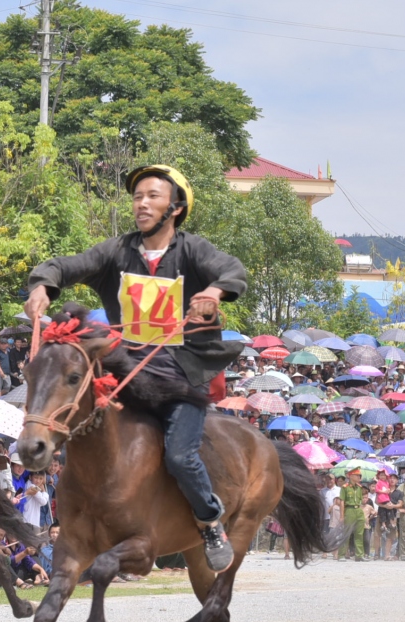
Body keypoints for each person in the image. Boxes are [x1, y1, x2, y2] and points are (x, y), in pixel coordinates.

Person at [24, 165, 247, 571]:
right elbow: (65, 265)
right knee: (82, 424)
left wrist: (214, 291)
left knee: (180, 457)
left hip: (180, 377)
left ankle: (210, 521)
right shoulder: (116, 251)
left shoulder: (194, 250)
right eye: (137, 197)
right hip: (126, 372)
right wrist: (42, 284)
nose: (141, 204)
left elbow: (233, 271)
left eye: (152, 197)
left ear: (175, 208)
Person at [336, 467, 368, 560]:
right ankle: (341, 554)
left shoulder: (359, 487)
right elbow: (342, 502)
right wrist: (342, 515)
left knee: (359, 534)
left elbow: (361, 500)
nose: (359, 477)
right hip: (349, 510)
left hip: (358, 510)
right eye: (357, 475)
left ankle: (359, 555)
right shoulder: (345, 487)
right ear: (351, 476)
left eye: (359, 475)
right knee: (346, 533)